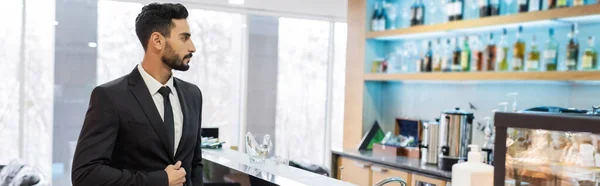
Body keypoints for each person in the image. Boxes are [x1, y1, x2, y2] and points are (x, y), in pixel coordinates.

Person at [71, 3, 203, 186]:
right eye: (184, 38)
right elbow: (86, 174)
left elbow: (195, 164)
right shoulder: (110, 97)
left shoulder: (193, 95)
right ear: (157, 41)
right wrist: (160, 180)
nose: (192, 47)